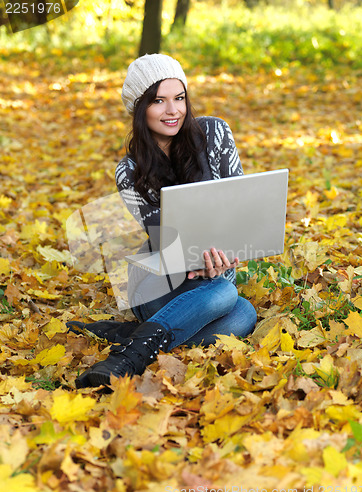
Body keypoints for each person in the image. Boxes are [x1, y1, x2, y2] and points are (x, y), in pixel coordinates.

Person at [75, 54, 257, 389]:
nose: (173, 110)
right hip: (158, 280)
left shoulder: (215, 134)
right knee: (225, 296)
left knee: (243, 314)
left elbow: (239, 208)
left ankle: (132, 339)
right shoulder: (129, 172)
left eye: (179, 98)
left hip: (215, 278)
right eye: (159, 101)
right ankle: (127, 360)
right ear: (139, 108)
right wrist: (200, 263)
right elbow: (163, 242)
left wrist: (226, 257)